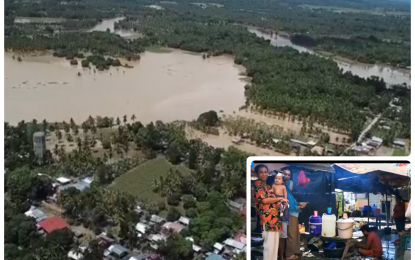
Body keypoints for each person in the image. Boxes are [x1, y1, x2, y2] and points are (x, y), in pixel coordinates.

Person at [253, 164, 285, 260]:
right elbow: (264, 200)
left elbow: (273, 200)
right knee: (269, 247)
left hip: (275, 220)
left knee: (274, 247)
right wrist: (279, 198)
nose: (264, 174)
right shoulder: (257, 185)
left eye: (265, 172)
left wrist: (279, 203)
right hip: (267, 221)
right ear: (257, 174)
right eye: (261, 172)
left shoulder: (268, 186)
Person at [283, 169, 306, 260]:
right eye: (285, 174)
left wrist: (298, 205)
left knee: (294, 233)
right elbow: (288, 206)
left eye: (288, 175)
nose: (287, 176)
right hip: (289, 214)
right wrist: (299, 207)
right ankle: (289, 255)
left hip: (293, 214)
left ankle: (292, 252)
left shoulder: (288, 191)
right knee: (291, 234)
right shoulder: (282, 188)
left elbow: (291, 203)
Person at [270, 173, 289, 260]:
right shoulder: (273, 186)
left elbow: (285, 195)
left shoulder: (283, 187)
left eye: (279, 178)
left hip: (282, 203)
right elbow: (271, 192)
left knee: (282, 219)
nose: (277, 180)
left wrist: (285, 201)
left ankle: (281, 255)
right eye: (276, 178)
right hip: (274, 203)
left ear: (282, 180)